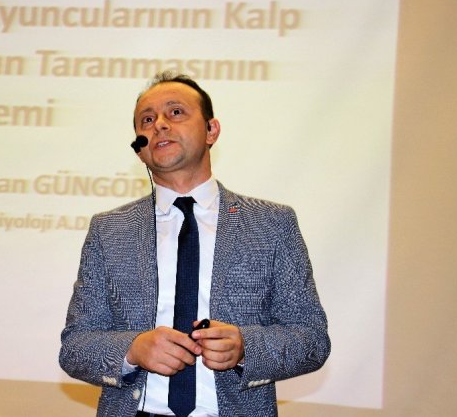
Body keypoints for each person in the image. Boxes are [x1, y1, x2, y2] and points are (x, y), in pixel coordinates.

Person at [59, 71, 330, 417]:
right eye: (147, 120)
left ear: (211, 130)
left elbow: (312, 339)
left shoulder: (271, 223)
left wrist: (246, 347)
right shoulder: (109, 230)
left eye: (176, 112)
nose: (159, 124)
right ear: (139, 149)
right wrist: (133, 349)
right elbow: (75, 346)